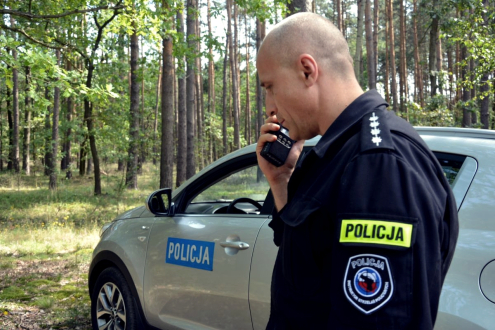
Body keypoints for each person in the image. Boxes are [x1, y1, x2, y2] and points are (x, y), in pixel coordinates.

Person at [255, 12, 459, 330]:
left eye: (270, 87)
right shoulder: (334, 156)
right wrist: (280, 182)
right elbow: (308, 268)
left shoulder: (378, 165)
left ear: (307, 70)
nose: (269, 106)